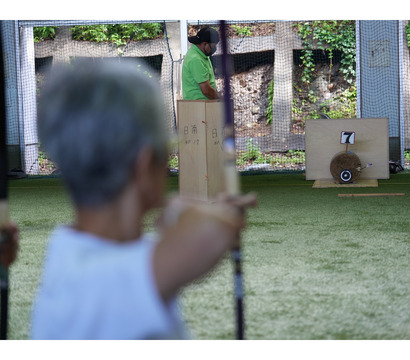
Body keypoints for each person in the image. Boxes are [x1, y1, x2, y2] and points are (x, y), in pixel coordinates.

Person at [30, 59, 256, 340]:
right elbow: (210, 233)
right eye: (165, 151)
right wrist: (186, 209)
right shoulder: (117, 278)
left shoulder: (69, 253)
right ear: (145, 166)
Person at [182, 27, 222, 100]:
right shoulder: (196, 59)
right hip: (199, 104)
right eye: (212, 46)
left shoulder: (200, 53)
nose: (214, 49)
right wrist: (219, 99)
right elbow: (206, 90)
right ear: (204, 44)